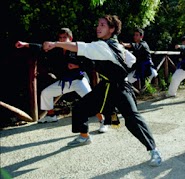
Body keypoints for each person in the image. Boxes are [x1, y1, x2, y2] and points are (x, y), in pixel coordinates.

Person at [43, 14, 162, 166]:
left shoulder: (103, 46)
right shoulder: (114, 45)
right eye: (98, 24)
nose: (98, 27)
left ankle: (154, 150)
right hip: (106, 86)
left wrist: (56, 44)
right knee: (80, 108)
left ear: (112, 29)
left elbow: (81, 47)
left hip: (120, 88)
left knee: (133, 119)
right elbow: (131, 60)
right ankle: (84, 136)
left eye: (103, 25)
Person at [15, 28, 96, 126]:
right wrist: (25, 44)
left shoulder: (78, 48)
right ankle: (51, 115)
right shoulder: (56, 50)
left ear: (70, 38)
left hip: (79, 80)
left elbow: (91, 63)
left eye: (64, 37)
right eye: (60, 38)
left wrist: (77, 66)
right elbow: (41, 47)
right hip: (64, 82)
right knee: (46, 93)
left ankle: (105, 120)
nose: (62, 40)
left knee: (92, 100)